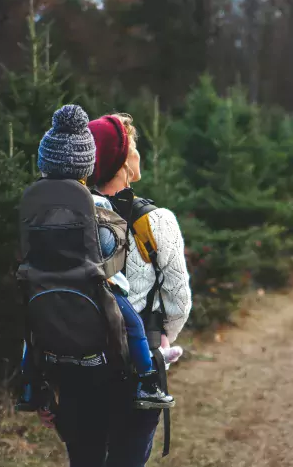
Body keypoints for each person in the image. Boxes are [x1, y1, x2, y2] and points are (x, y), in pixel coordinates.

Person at [38, 111, 192, 466]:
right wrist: (161, 340)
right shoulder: (156, 221)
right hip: (134, 374)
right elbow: (179, 302)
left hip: (76, 367)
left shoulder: (64, 220)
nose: (139, 153)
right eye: (134, 146)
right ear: (123, 161)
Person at [16, 104, 174, 412]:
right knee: (133, 325)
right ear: (86, 165)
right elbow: (104, 246)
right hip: (89, 282)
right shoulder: (93, 203)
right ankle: (147, 382)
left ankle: (29, 386)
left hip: (40, 281)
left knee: (31, 330)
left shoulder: (33, 200)